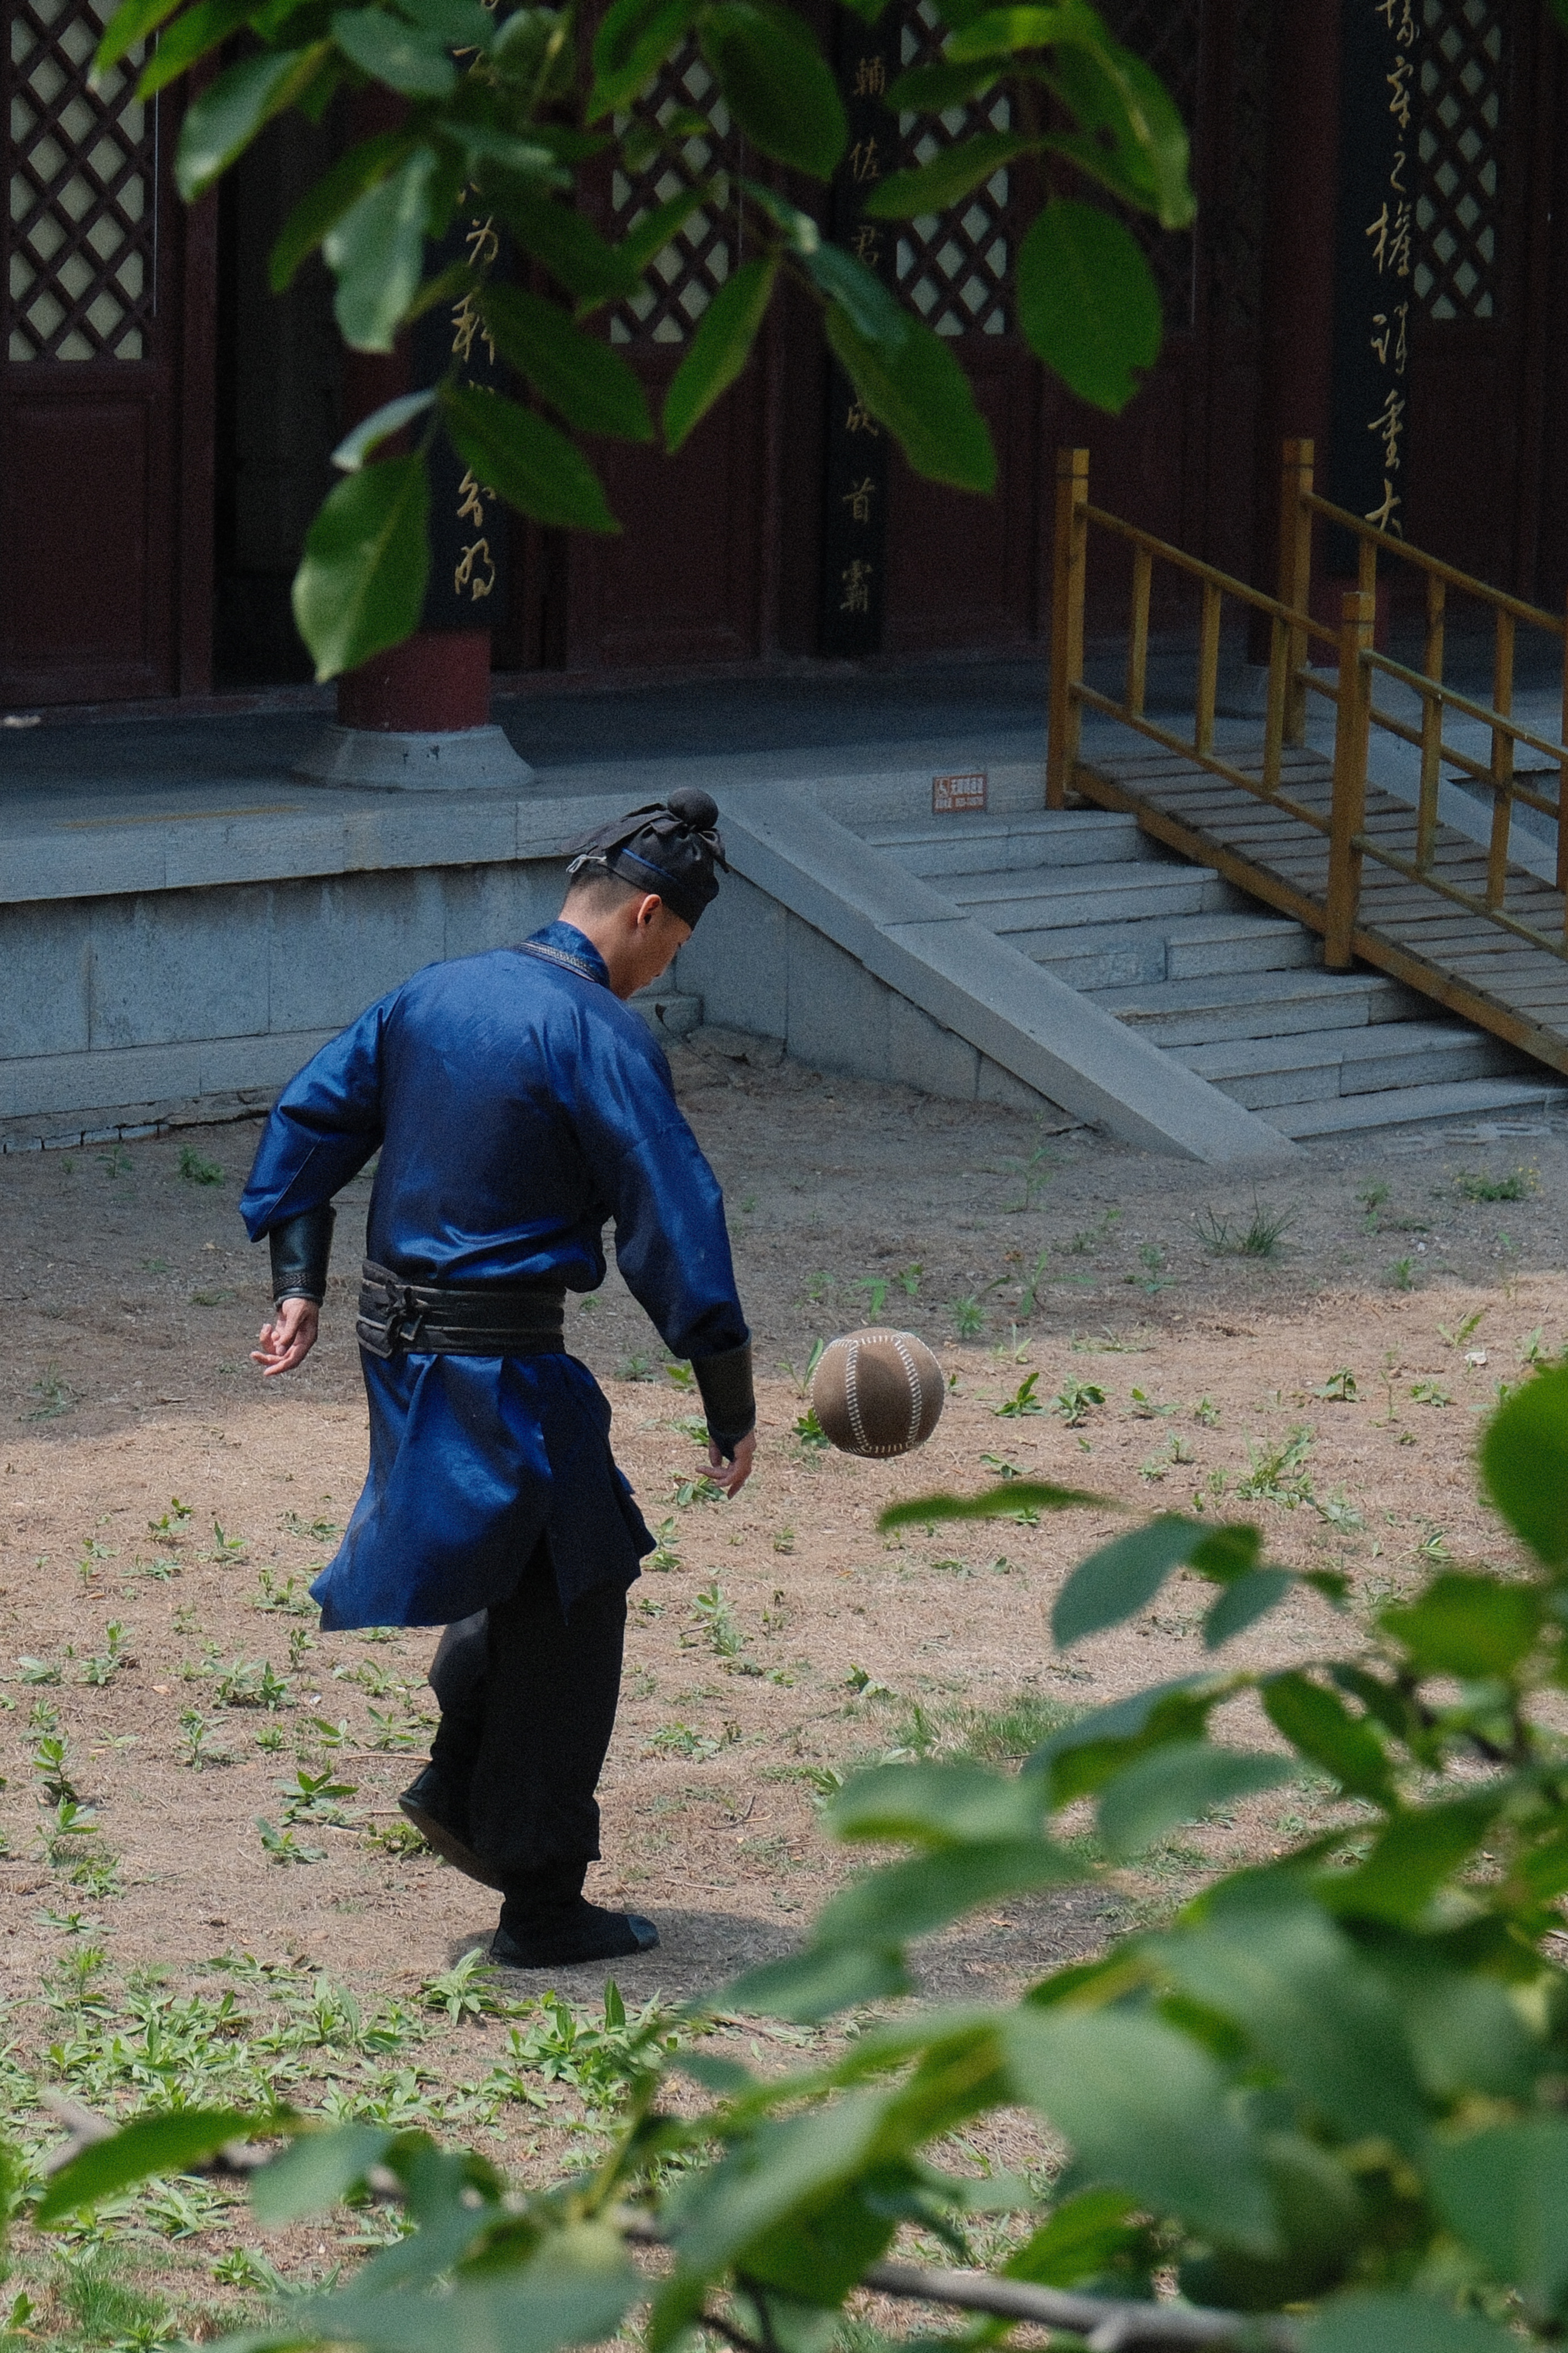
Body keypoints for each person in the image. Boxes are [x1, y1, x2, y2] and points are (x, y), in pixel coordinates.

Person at [238, 788, 756, 1968]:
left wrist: (298, 1279)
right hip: (502, 1361)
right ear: (643, 910)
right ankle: (538, 1894)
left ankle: (461, 1779)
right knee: (579, 1583)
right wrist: (727, 1392)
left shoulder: (431, 993)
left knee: (533, 1557)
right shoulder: (599, 1032)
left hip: (395, 1346)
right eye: (672, 944)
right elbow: (672, 1216)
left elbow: (311, 1118)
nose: (663, 969)